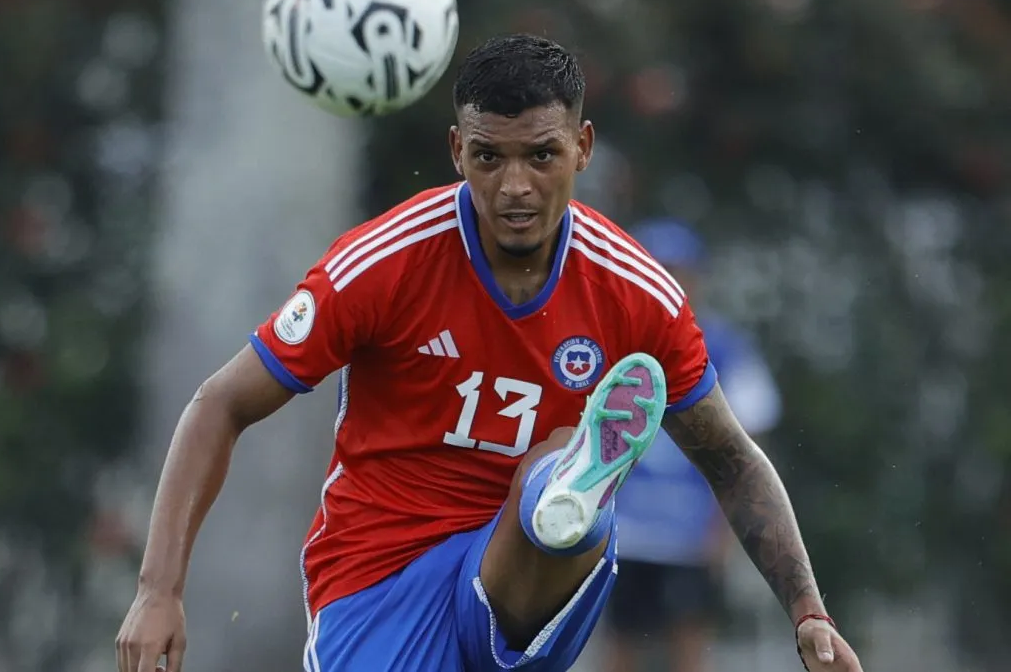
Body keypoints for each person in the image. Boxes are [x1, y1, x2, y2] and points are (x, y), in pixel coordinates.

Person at [116, 34, 862, 672]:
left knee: (548, 484)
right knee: (548, 483)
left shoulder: (636, 295)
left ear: (582, 147)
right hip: (381, 574)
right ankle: (566, 483)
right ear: (456, 151)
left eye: (541, 155)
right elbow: (221, 403)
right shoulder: (382, 265)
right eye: (488, 157)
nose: (515, 187)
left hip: (532, 575)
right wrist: (157, 590)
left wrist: (808, 610)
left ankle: (570, 486)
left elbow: (731, 458)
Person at [605, 219, 782, 672]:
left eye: (679, 272)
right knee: (621, 642)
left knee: (689, 643)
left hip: (689, 533)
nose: (671, 282)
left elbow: (748, 448)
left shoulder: (725, 349)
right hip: (624, 532)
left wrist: (726, 532)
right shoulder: (614, 343)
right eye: (660, 270)